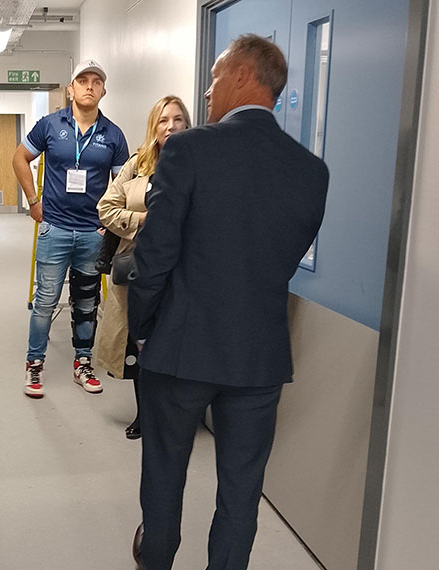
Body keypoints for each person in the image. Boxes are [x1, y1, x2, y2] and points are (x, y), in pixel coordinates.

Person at [128, 34, 329, 570]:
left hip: (181, 346)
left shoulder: (190, 149)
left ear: (242, 75)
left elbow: (155, 256)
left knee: (165, 473)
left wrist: (143, 328)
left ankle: (157, 560)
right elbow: (280, 261)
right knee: (242, 491)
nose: (210, 91)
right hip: (259, 355)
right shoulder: (312, 171)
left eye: (215, 79)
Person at [13, 59, 129, 398]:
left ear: (103, 90)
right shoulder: (50, 125)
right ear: (71, 88)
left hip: (93, 234)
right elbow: (20, 158)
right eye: (83, 80)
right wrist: (34, 202)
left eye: (96, 81)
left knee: (86, 303)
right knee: (45, 302)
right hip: (55, 230)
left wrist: (109, 224)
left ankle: (83, 363)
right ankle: (34, 365)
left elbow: (123, 184)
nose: (89, 86)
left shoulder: (113, 134)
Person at [96, 96, 190, 439]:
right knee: (139, 343)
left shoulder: (197, 163)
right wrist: (143, 220)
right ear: (154, 126)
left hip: (181, 272)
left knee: (174, 343)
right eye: (163, 120)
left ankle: (174, 416)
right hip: (137, 270)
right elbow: (106, 208)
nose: (171, 126)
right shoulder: (137, 165)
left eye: (178, 119)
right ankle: (145, 415)